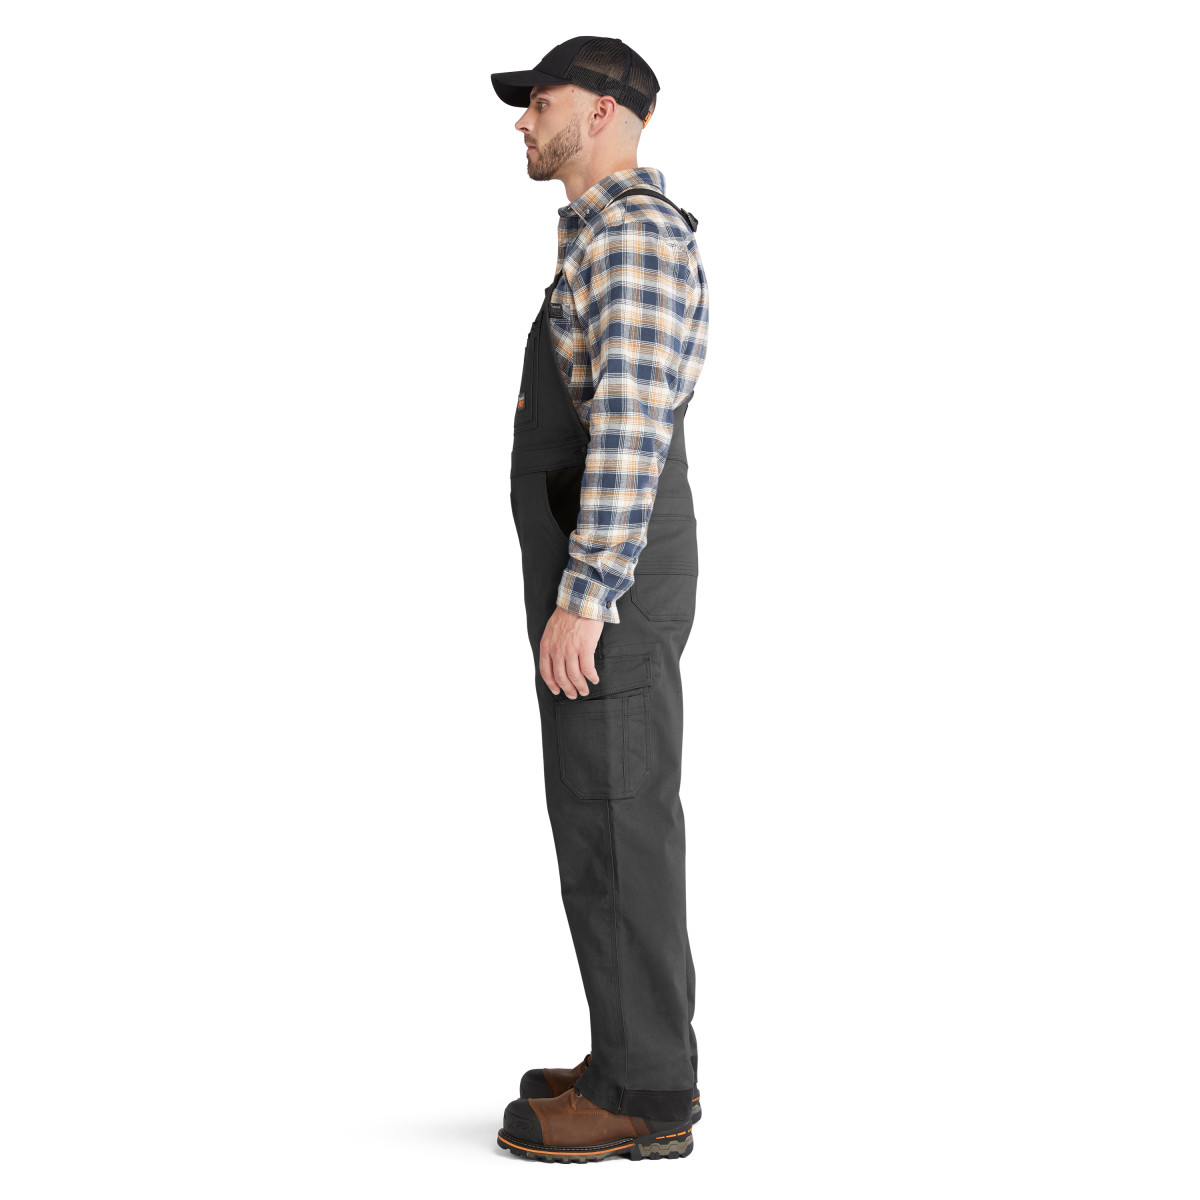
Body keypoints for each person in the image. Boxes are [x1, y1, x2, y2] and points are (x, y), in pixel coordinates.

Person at [491, 35, 710, 1164]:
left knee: (618, 817)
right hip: (599, 563)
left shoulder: (633, 238)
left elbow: (627, 422)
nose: (523, 119)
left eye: (543, 100)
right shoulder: (596, 238)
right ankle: (628, 1049)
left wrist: (587, 595)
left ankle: (648, 1090)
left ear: (608, 112)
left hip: (607, 573)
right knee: (596, 813)